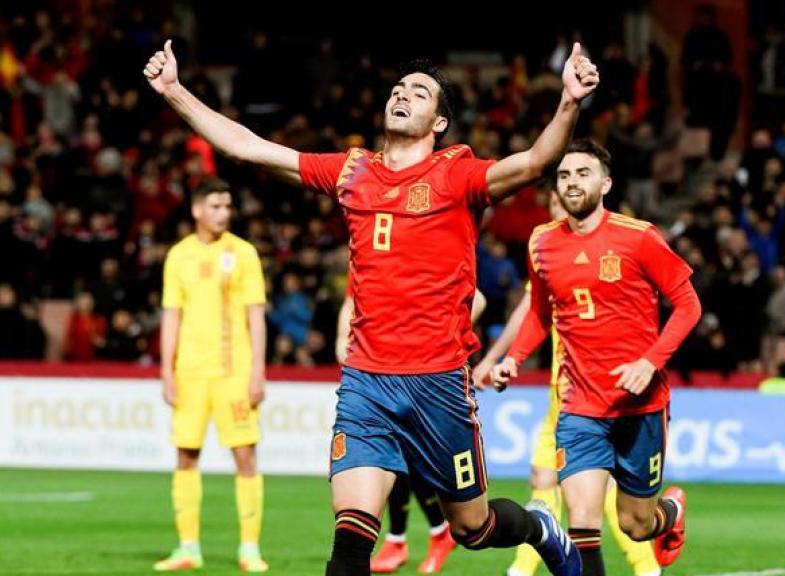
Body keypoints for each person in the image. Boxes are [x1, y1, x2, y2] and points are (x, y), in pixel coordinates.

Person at [144, 37, 600, 576]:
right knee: (351, 538)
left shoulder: (457, 174)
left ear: (439, 123)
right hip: (367, 383)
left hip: (439, 384)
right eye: (398, 88)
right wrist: (174, 91)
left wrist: (569, 102)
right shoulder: (352, 171)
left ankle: (539, 527)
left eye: (419, 92)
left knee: (473, 528)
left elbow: (536, 161)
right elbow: (248, 147)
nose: (402, 94)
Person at [492, 140, 702, 575]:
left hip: (640, 406)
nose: (571, 182)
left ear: (605, 184)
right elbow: (540, 312)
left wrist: (650, 362)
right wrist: (514, 357)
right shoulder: (542, 242)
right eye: (564, 175)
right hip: (579, 406)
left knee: (635, 525)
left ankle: (670, 512)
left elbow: (688, 305)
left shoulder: (639, 237)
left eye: (582, 173)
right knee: (583, 523)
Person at [474, 191, 662, 576]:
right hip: (562, 394)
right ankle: (524, 567)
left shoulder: (597, 256)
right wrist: (502, 360)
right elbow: (533, 314)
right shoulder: (552, 254)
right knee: (551, 483)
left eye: (562, 205)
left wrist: (493, 359)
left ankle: (645, 564)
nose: (558, 212)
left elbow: (529, 313)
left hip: (592, 395)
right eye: (554, 205)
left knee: (598, 498)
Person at [156, 178, 269, 572]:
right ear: (197, 210)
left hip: (234, 371)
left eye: (227, 206)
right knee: (186, 455)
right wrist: (166, 370)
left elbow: (256, 316)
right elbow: (172, 315)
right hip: (189, 371)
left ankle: (250, 549)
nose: (223, 213)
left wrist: (258, 371)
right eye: (216, 206)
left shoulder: (244, 253)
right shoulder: (179, 256)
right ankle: (188, 547)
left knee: (245, 456)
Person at [334, 290, 486, 574]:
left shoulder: (438, 268)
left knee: (468, 519)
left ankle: (426, 534)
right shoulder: (370, 264)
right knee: (391, 462)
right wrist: (342, 339)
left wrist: (444, 337)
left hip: (430, 378)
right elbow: (352, 298)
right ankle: (404, 537)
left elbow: (477, 298)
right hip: (379, 374)